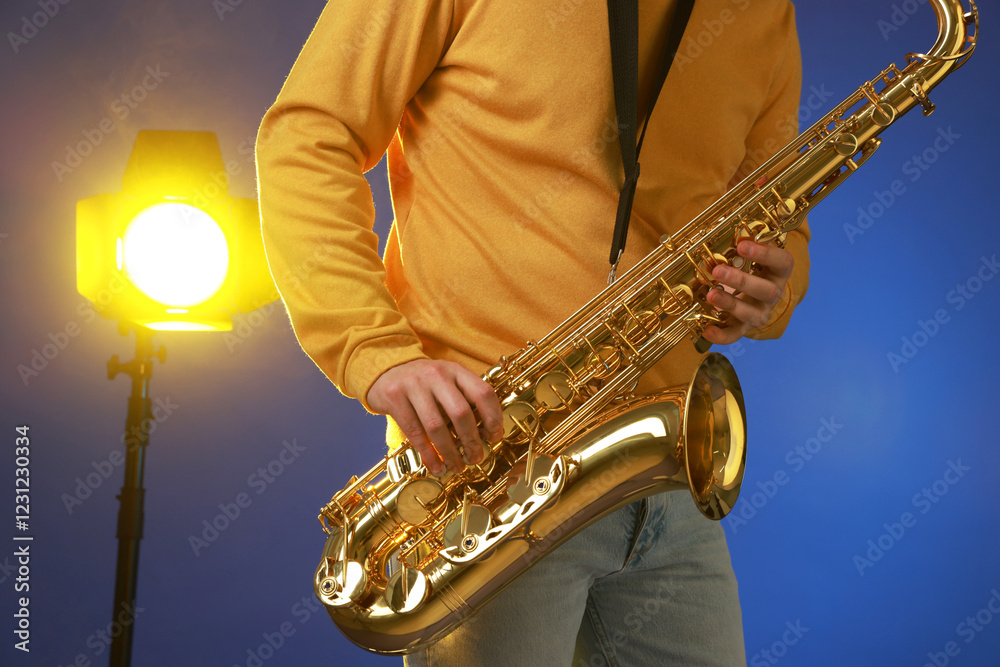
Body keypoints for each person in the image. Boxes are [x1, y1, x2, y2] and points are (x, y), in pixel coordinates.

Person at [256, 0, 811, 664]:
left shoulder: (762, 12)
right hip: (490, 469)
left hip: (666, 477)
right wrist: (372, 348)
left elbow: (777, 211)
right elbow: (307, 133)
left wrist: (770, 288)